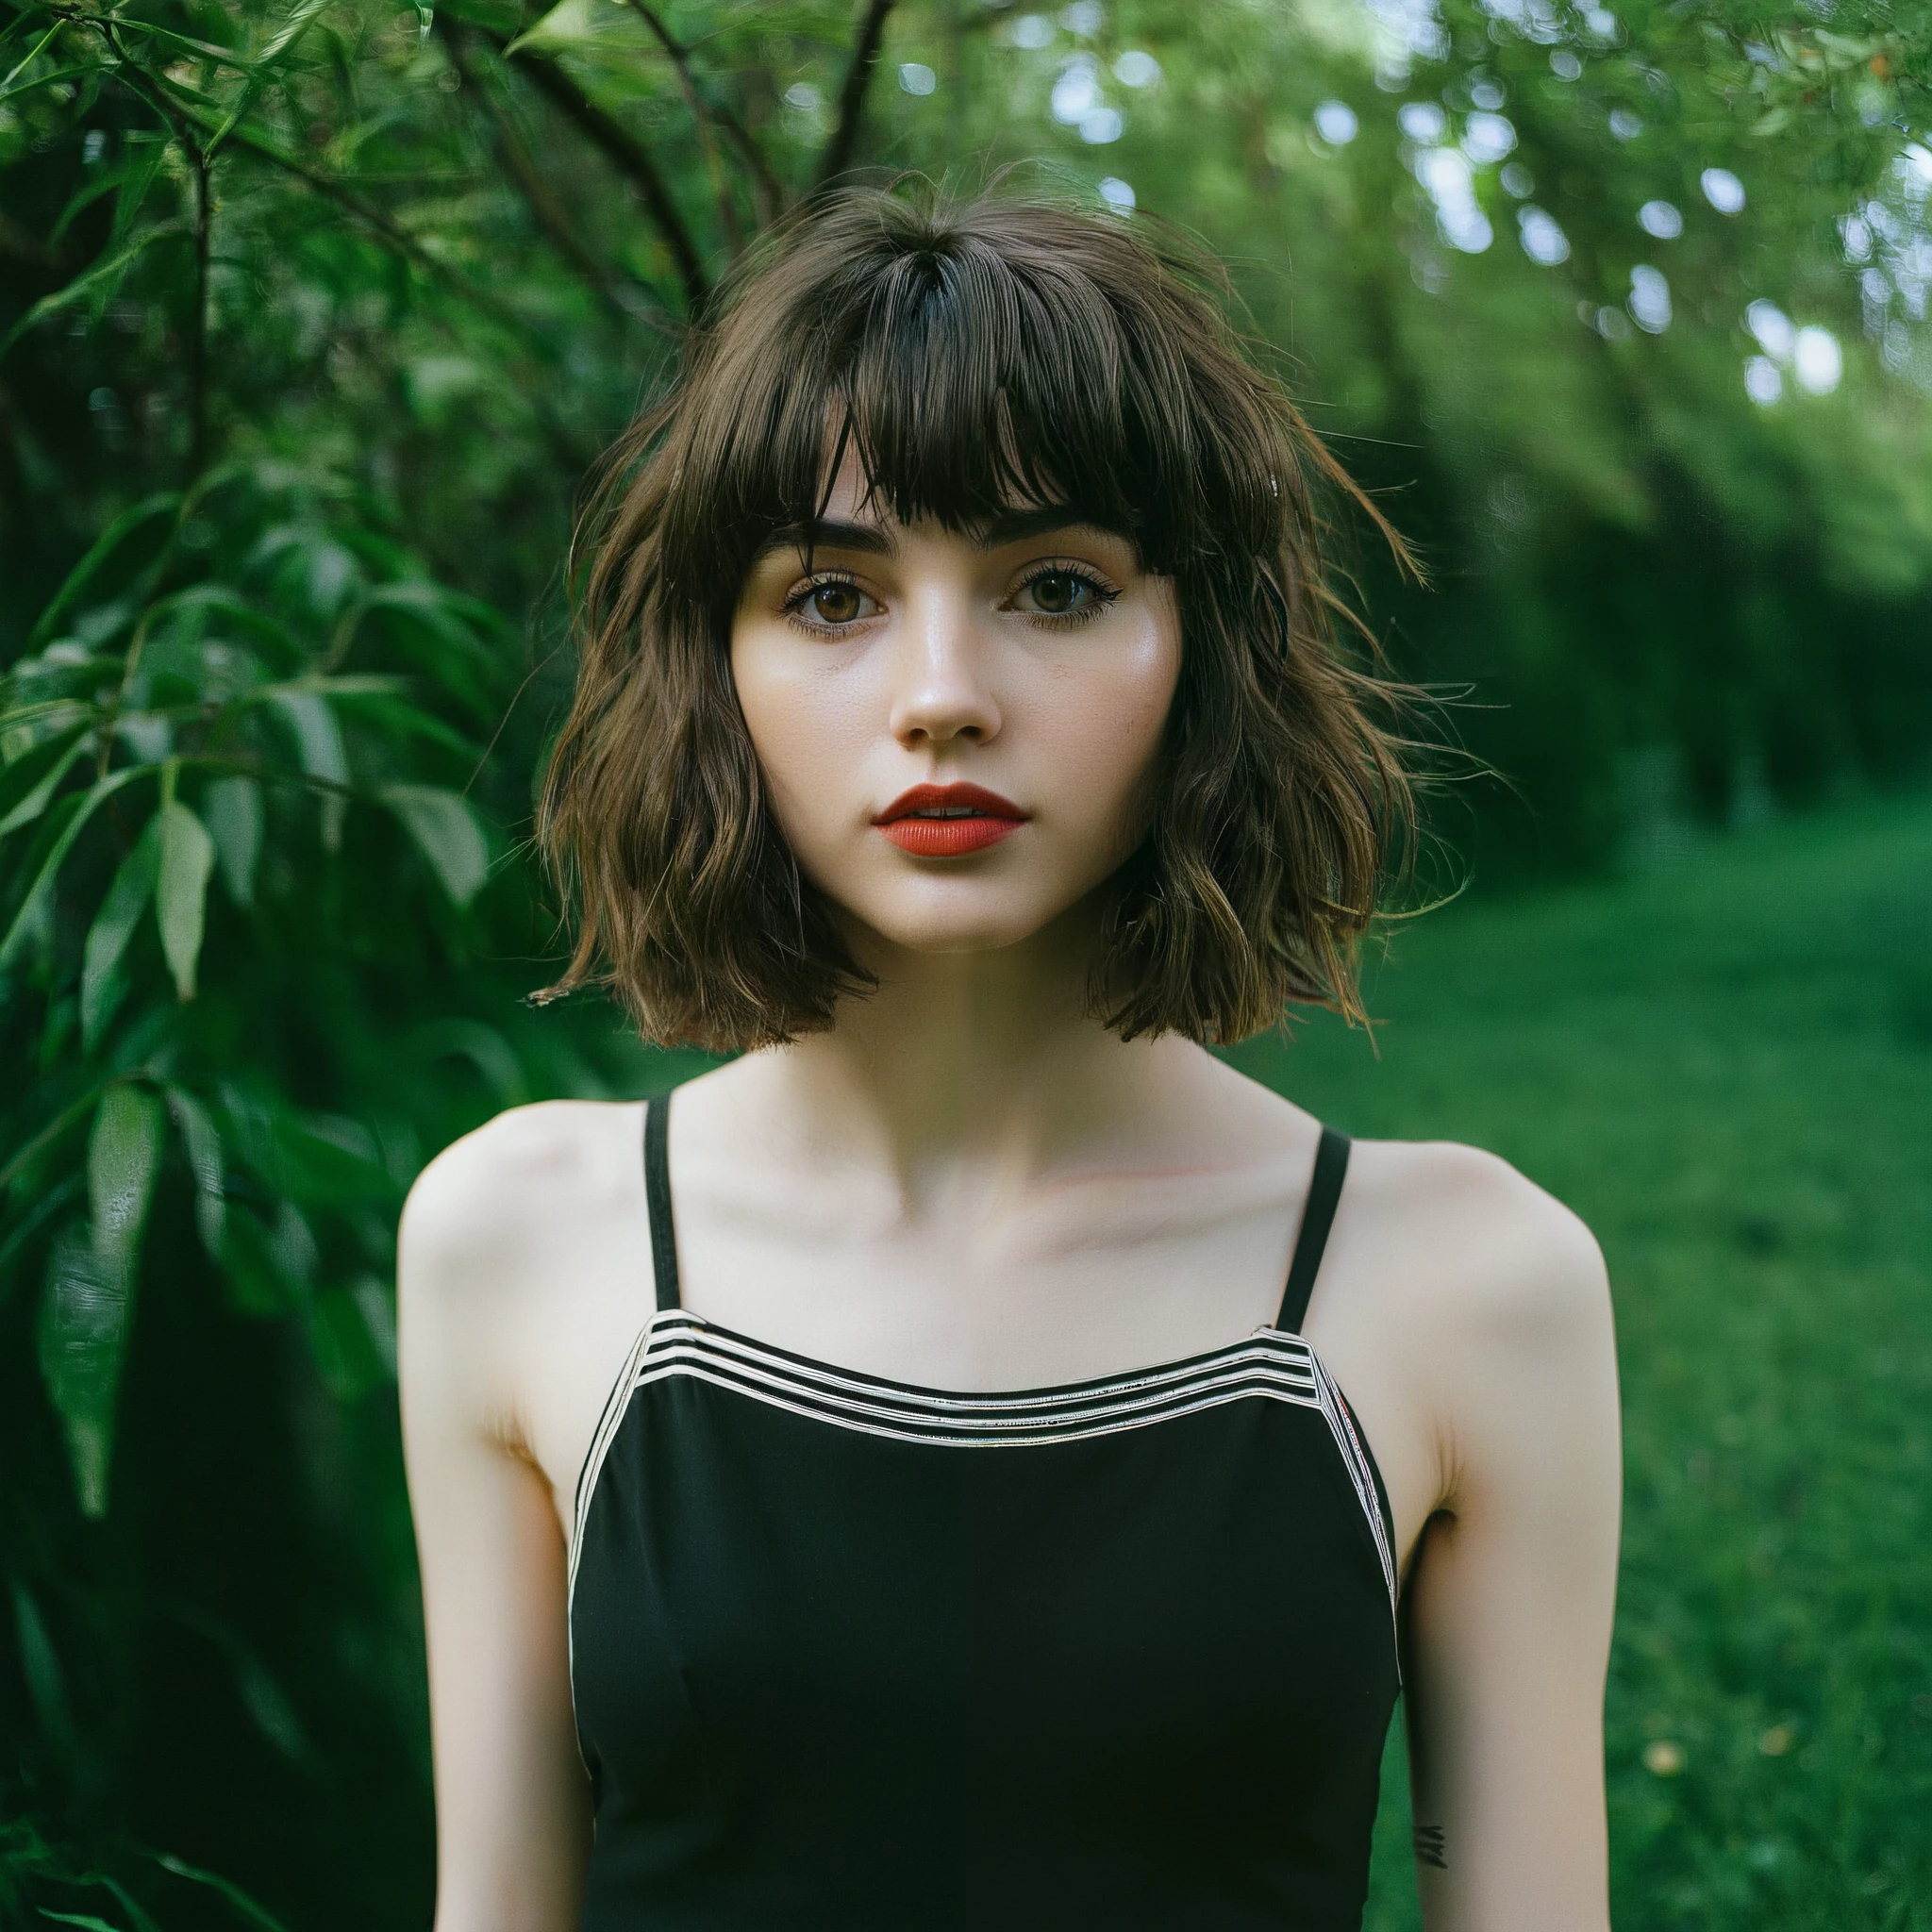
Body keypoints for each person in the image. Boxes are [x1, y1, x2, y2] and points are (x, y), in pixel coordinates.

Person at [397, 187, 1622, 1932]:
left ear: (1205, 648)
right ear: (714, 666)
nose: (943, 693)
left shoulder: (1468, 1286)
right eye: (832, 594)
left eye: (1056, 584)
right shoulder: (518, 1238)